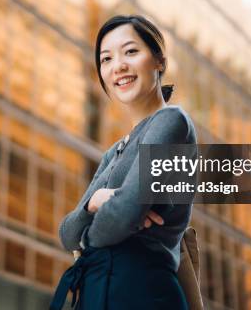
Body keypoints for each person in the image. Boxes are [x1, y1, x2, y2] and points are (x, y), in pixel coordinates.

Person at [50, 15, 198, 309]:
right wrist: (97, 201)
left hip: (140, 290)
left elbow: (122, 217)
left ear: (158, 60)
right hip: (100, 290)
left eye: (130, 51)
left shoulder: (171, 121)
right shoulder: (115, 151)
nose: (117, 66)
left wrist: (105, 220)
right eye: (106, 59)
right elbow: (67, 234)